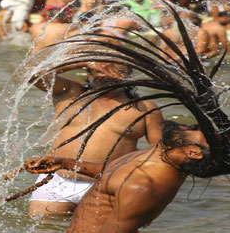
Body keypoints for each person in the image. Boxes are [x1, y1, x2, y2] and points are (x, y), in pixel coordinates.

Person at [7, 121, 205, 233]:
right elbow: (115, 172)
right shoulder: (159, 151)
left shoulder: (145, 184)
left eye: (199, 130)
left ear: (192, 152)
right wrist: (65, 163)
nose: (194, 125)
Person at [25, 62, 163, 216]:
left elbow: (160, 152)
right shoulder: (70, 93)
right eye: (101, 71)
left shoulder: (145, 108)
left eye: (117, 71)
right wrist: (85, 61)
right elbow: (32, 73)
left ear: (129, 76)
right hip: (57, 179)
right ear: (89, 74)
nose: (108, 75)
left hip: (106, 184)